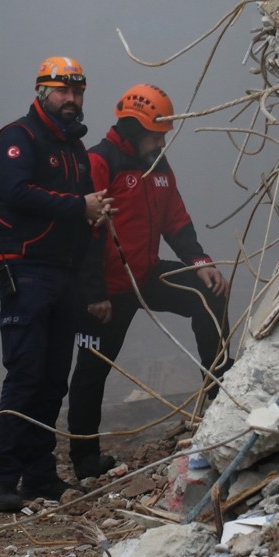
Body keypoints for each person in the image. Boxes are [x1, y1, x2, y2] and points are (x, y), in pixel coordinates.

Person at [68, 83, 230, 481]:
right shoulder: (98, 162)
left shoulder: (157, 163)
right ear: (134, 128)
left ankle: (221, 396)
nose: (162, 139)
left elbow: (176, 218)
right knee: (92, 372)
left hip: (146, 273)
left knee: (206, 294)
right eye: (157, 132)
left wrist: (199, 261)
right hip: (107, 288)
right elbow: (81, 235)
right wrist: (93, 293)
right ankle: (85, 461)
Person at [0, 55, 111, 513]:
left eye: (78, 92)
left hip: (64, 273)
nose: (72, 100)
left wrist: (93, 213)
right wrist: (81, 206)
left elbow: (79, 209)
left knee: (54, 379)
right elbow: (15, 193)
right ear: (42, 90)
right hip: (24, 267)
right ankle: (2, 480)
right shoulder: (17, 137)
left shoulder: (74, 148)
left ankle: (39, 475)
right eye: (63, 91)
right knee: (25, 375)